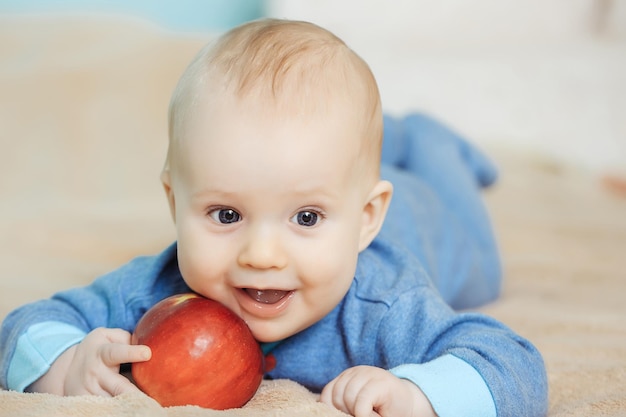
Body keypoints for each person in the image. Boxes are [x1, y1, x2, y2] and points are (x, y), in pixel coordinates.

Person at [0, 18, 547, 417]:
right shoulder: (154, 294)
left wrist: (420, 395)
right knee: (341, 158)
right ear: (174, 204)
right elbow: (25, 325)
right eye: (227, 213)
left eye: (306, 218)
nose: (262, 255)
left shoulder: (386, 305)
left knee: (481, 263)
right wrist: (68, 363)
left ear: (364, 218)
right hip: (347, 183)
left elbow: (516, 366)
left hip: (431, 226)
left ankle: (428, 142)